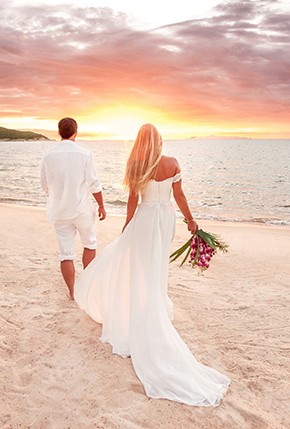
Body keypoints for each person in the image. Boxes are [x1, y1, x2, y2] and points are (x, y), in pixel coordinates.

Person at [74, 123, 230, 406]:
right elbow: (179, 196)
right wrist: (191, 220)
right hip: (164, 219)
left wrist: (126, 226)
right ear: (158, 140)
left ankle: (144, 307)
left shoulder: (135, 163)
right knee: (157, 266)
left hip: (145, 219)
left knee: (140, 267)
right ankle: (154, 304)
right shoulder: (172, 162)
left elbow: (133, 199)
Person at [40, 117, 107, 300]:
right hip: (82, 209)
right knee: (90, 244)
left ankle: (72, 292)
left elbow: (45, 186)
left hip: (59, 211)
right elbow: (94, 183)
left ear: (59, 132)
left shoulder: (48, 156)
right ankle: (87, 287)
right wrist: (101, 205)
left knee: (66, 254)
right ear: (76, 132)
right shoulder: (85, 154)